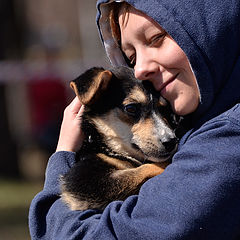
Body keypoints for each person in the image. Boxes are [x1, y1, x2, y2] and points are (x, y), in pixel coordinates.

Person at [29, 0, 240, 239]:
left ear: (211, 25)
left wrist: (62, 157)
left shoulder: (228, 145)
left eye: (156, 39)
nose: (139, 70)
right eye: (131, 56)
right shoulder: (205, 125)